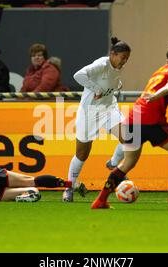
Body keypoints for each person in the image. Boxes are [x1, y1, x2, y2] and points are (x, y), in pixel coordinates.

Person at [91, 38, 168, 209]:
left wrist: (155, 96)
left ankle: (100, 200)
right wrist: (157, 96)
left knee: (127, 163)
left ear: (166, 60)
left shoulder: (160, 70)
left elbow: (164, 86)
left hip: (134, 119)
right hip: (152, 121)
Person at [62, 37, 131, 202]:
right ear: (113, 54)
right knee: (82, 154)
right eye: (123, 58)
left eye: (127, 59)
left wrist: (117, 84)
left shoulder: (117, 66)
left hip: (109, 109)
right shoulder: (101, 64)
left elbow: (110, 80)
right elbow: (78, 75)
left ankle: (114, 163)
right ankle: (69, 187)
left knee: (129, 137)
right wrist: (96, 88)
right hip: (89, 113)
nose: (125, 61)